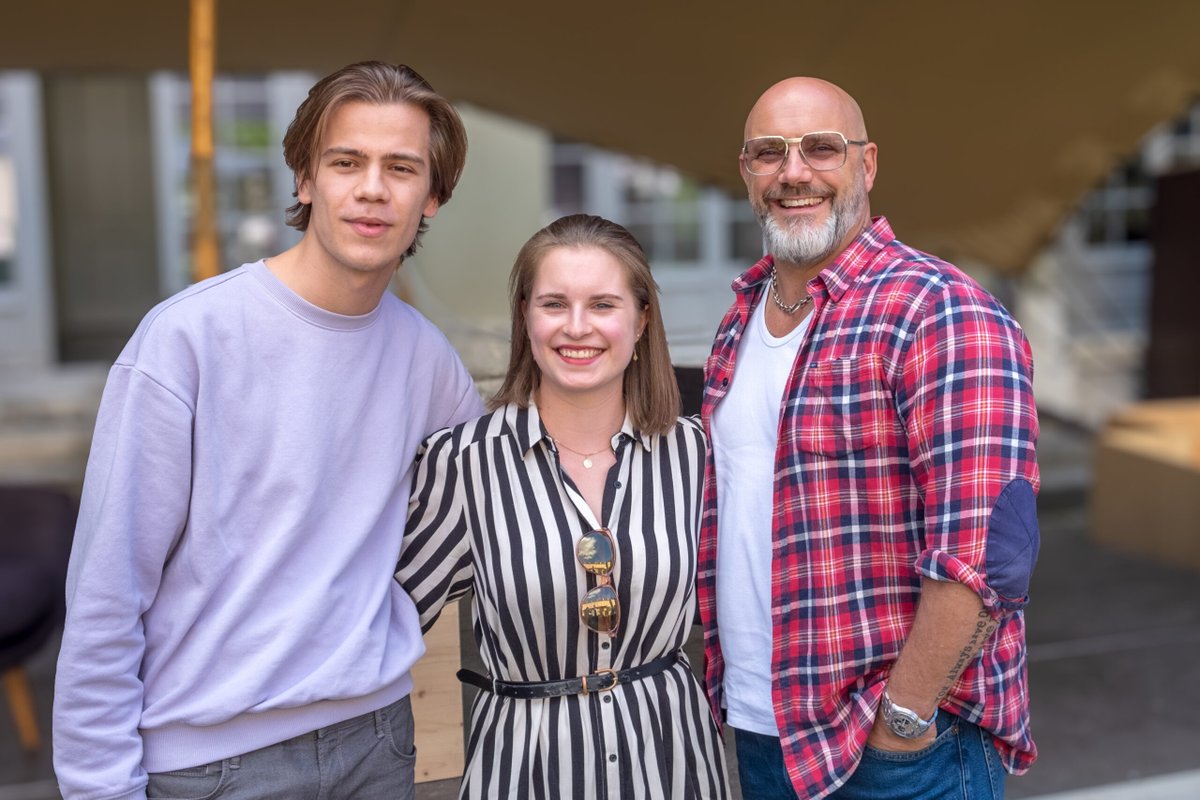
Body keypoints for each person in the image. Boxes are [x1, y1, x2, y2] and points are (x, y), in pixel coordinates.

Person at [53, 62, 484, 800]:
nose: (372, 188)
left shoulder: (429, 362)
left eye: (402, 167)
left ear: (433, 197)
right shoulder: (186, 338)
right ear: (304, 179)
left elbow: (474, 523)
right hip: (209, 763)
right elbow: (106, 590)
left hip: (376, 742)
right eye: (346, 161)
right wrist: (100, 786)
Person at [699, 77, 1041, 799]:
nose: (794, 174)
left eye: (821, 149)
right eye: (770, 153)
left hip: (896, 755)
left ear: (868, 164)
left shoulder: (939, 311)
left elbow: (989, 555)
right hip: (766, 733)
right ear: (746, 171)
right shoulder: (739, 320)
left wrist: (905, 720)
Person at [397, 214, 731, 799]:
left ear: (641, 318)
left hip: (674, 768)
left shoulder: (696, 453)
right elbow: (382, 623)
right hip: (527, 773)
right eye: (554, 304)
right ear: (525, 317)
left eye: (603, 304)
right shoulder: (464, 462)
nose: (577, 328)